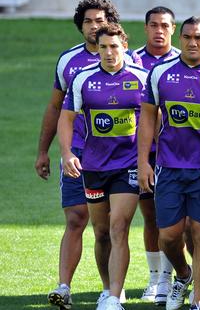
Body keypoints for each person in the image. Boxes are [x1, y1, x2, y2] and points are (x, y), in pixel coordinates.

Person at [138, 16, 200, 310]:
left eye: (199, 38)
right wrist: (143, 161)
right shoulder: (161, 74)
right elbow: (147, 118)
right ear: (180, 39)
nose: (193, 43)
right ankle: (183, 273)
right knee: (168, 235)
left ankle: (197, 301)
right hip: (168, 167)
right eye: (188, 37)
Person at [37, 0, 126, 310]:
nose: (94, 26)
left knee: (112, 226)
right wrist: (44, 151)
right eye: (88, 21)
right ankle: (64, 286)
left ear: (110, 24)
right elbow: (55, 108)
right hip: (78, 154)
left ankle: (110, 289)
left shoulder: (128, 62)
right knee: (76, 219)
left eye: (99, 21)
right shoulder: (68, 61)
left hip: (118, 158)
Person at [58, 23, 148, 310]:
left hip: (128, 165)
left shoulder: (141, 79)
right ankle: (108, 288)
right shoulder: (83, 79)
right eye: (103, 47)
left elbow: (155, 117)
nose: (109, 53)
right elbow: (66, 118)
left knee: (119, 225)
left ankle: (113, 298)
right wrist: (67, 152)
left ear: (124, 46)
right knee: (101, 231)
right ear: (97, 49)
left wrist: (149, 159)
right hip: (94, 166)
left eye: (114, 47)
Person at [134, 5, 179, 303]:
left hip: (177, 155)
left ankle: (173, 275)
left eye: (165, 25)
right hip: (144, 152)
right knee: (151, 215)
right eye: (154, 25)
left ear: (173, 29)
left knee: (177, 221)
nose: (159, 30)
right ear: (146, 28)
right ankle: (156, 277)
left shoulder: (183, 59)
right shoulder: (133, 60)